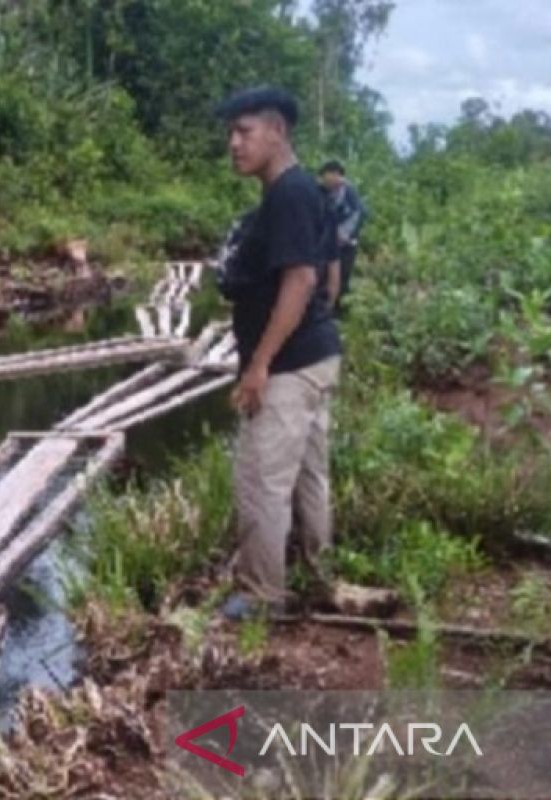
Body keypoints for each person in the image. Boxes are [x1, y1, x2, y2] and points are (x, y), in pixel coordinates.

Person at [212, 87, 343, 620]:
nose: (233, 144)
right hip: (315, 356)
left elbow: (301, 279)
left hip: (289, 366)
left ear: (277, 133)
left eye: (244, 132)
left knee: (262, 479)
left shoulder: (289, 194)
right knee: (311, 474)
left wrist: (259, 365)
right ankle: (319, 575)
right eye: (231, 134)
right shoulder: (296, 192)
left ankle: (264, 596)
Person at [318, 160, 367, 313]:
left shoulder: (350, 194)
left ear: (339, 176)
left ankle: (337, 312)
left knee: (343, 276)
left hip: (346, 243)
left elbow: (358, 215)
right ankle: (323, 308)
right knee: (323, 276)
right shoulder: (320, 191)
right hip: (326, 242)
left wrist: (343, 234)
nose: (330, 180)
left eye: (333, 176)